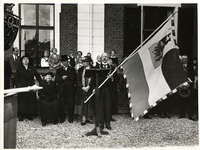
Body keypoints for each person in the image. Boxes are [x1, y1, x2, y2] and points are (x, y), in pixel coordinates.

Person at [15, 55, 42, 121]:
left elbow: (37, 76)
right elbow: (16, 78)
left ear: (29, 61)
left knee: (30, 101)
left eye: (27, 59)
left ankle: (28, 114)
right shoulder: (19, 68)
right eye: (24, 59)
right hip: (22, 87)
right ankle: (21, 115)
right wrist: (19, 86)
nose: (26, 60)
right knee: (22, 101)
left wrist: (41, 83)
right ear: (22, 61)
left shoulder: (32, 68)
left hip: (31, 86)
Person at [98, 52, 118, 130]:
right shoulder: (97, 67)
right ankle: (101, 123)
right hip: (100, 89)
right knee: (101, 107)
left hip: (109, 90)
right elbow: (94, 78)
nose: (104, 58)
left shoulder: (112, 68)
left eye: (106, 57)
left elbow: (117, 79)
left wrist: (112, 77)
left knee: (108, 107)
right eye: (103, 57)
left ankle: (108, 123)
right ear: (101, 58)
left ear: (108, 58)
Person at [55, 55, 77, 123]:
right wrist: (62, 78)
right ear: (61, 62)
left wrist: (69, 80)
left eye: (66, 61)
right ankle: (62, 118)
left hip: (70, 89)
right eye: (64, 61)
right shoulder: (59, 70)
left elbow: (75, 79)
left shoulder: (72, 69)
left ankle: (71, 118)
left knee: (71, 104)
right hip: (62, 90)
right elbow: (56, 80)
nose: (65, 63)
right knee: (61, 104)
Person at [74, 56, 95, 126]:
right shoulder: (80, 69)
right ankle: (83, 117)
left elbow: (94, 79)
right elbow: (78, 80)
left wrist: (89, 87)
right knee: (83, 103)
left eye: (85, 62)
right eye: (82, 62)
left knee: (90, 103)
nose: (83, 63)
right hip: (82, 89)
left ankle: (89, 117)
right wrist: (82, 87)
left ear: (88, 62)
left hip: (90, 89)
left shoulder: (93, 69)